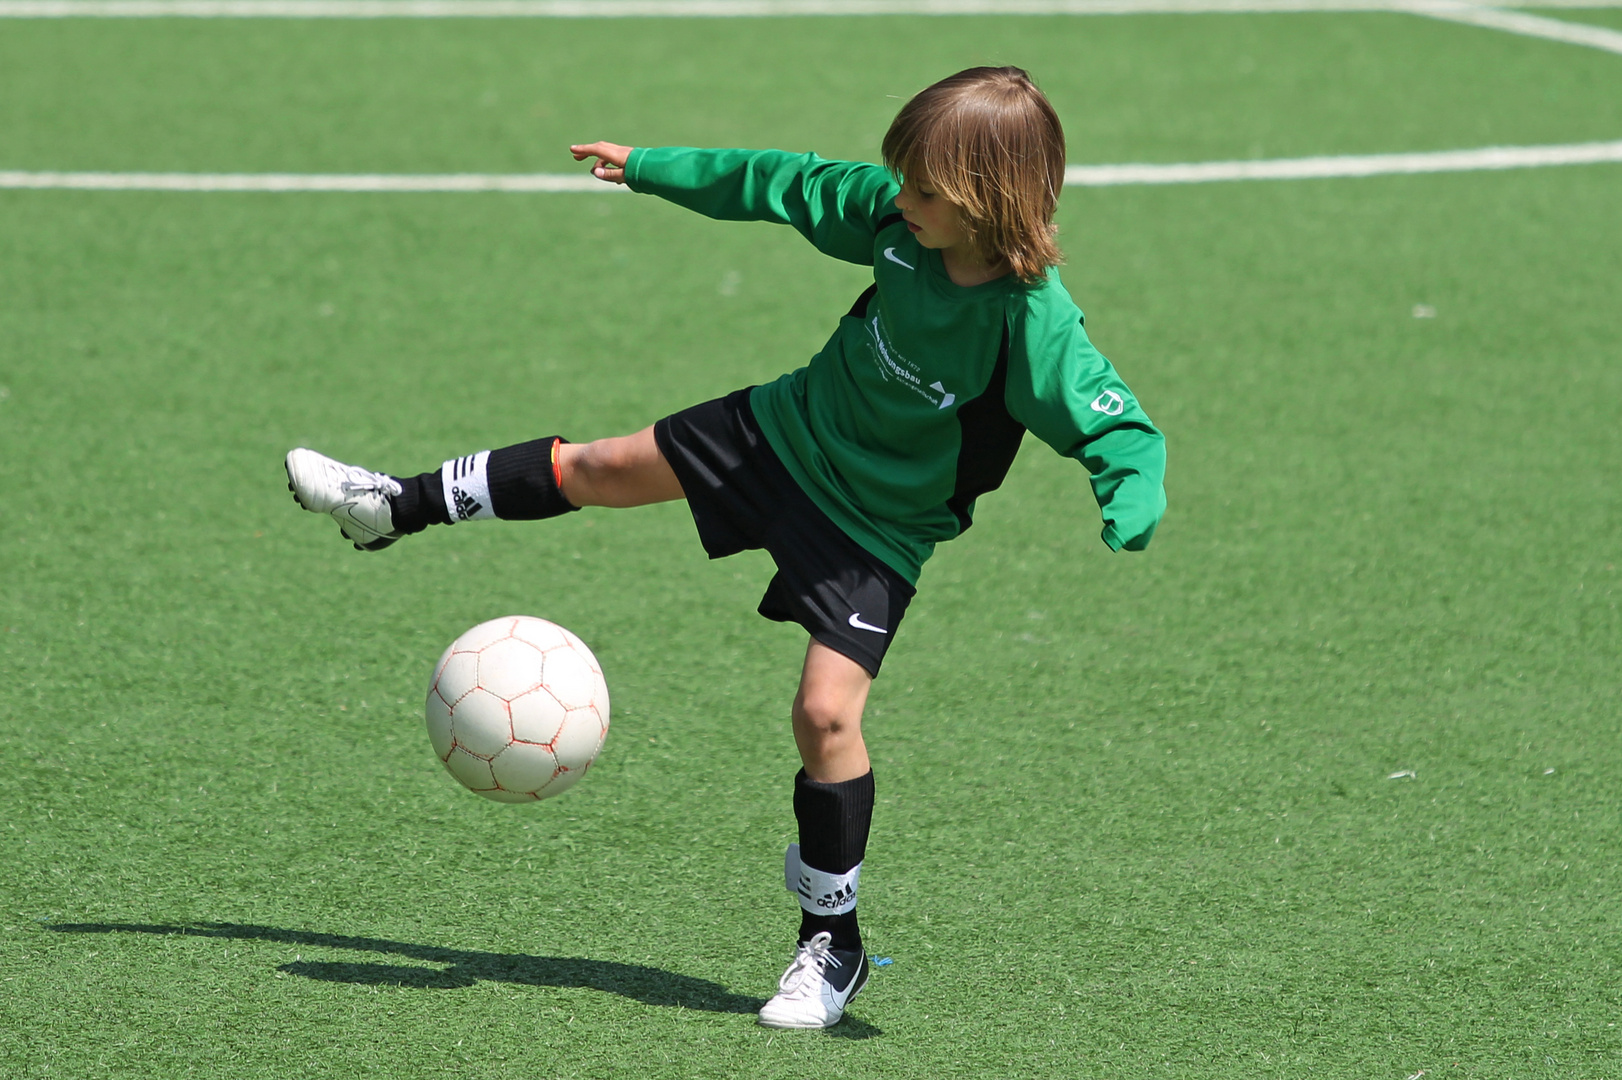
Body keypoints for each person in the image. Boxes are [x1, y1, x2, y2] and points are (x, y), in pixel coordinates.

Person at [284, 66, 1166, 1030]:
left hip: (879, 528)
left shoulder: (1031, 322)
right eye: (902, 180)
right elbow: (776, 183)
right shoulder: (891, 220)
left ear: (990, 200)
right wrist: (655, 168)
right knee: (601, 467)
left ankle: (832, 946)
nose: (900, 199)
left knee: (826, 716)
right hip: (787, 431)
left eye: (924, 190)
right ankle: (393, 506)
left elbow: (1118, 427)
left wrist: (1130, 493)